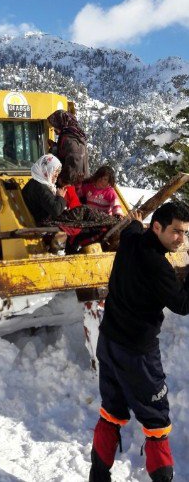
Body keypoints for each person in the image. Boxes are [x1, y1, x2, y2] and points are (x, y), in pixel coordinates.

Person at [89, 202, 189, 482]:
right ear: (157, 227)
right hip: (137, 356)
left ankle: (97, 478)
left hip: (108, 343)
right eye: (176, 232)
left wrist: (134, 220)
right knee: (157, 423)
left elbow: (132, 227)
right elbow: (182, 304)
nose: (181, 240)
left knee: (111, 413)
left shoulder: (131, 239)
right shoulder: (157, 265)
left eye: (185, 233)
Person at [47, 109, 89, 184]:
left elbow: (75, 160)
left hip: (73, 183)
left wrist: (64, 180)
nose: (55, 130)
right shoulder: (76, 135)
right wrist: (55, 147)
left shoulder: (70, 139)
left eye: (55, 126)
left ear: (61, 123)